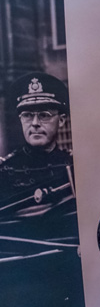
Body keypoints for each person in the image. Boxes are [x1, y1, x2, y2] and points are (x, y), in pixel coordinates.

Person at [0, 72, 77, 239]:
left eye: (44, 115)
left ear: (62, 120)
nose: (34, 123)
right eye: (27, 115)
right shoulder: (5, 171)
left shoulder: (74, 166)